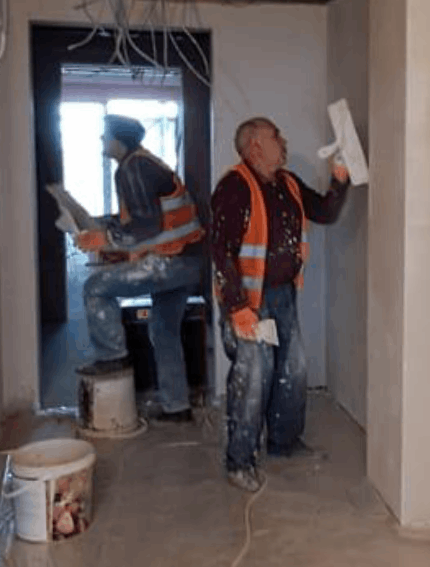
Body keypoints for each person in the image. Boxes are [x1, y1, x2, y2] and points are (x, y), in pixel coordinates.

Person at [209, 116, 349, 491]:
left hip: (283, 295)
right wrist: (237, 306)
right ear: (255, 145)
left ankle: (284, 442)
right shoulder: (234, 187)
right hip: (248, 300)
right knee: (254, 374)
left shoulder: (287, 183)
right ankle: (239, 460)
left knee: (293, 367)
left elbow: (325, 212)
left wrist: (339, 179)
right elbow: (221, 251)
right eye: (276, 136)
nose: (283, 141)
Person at [73, 115, 206, 423]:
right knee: (164, 331)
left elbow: (147, 225)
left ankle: (111, 356)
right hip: (187, 261)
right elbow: (140, 217)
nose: (101, 140)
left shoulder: (132, 168)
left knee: (95, 288)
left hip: (168, 262)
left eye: (105, 135)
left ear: (118, 140)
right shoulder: (144, 163)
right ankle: (177, 407)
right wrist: (102, 224)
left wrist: (104, 240)